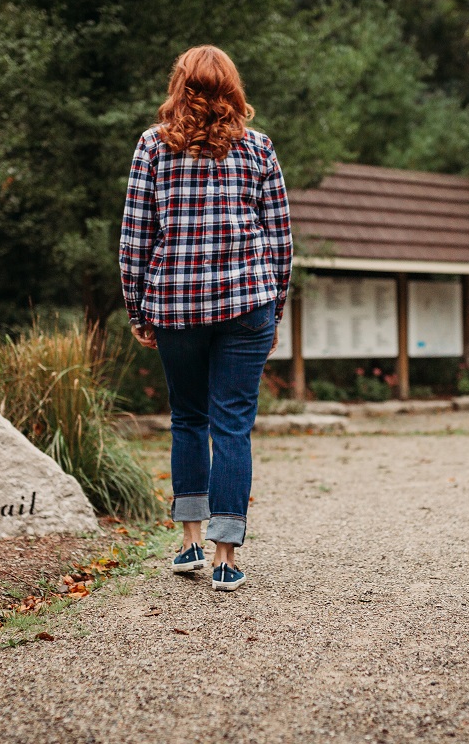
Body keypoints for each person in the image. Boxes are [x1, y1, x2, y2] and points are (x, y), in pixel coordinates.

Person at [118, 45, 292, 592]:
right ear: (232, 88)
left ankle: (189, 543)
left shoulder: (152, 147)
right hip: (247, 306)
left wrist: (137, 307)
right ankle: (225, 557)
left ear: (179, 86)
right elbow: (281, 241)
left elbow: (133, 239)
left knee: (188, 419)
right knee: (232, 426)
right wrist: (276, 307)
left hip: (175, 306)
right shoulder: (259, 149)